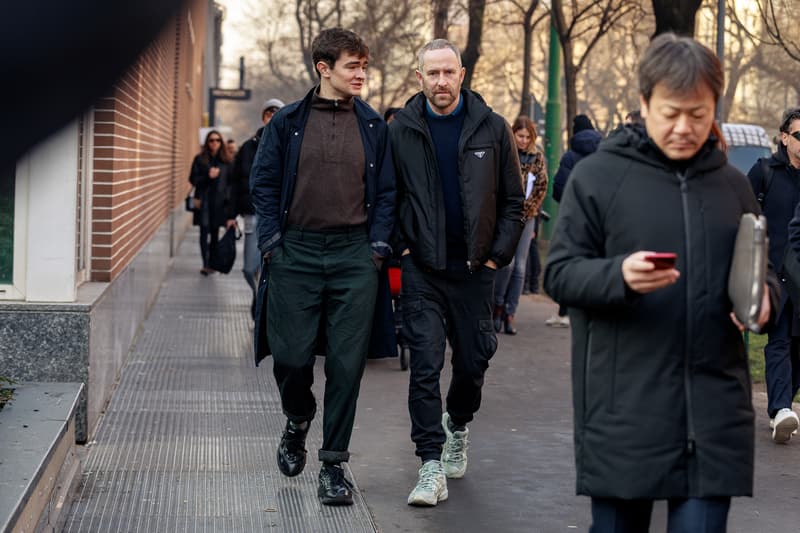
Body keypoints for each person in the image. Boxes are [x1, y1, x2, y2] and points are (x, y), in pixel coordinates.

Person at [543, 33, 778, 532]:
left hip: (714, 417)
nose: (684, 127)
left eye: (699, 114)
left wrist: (763, 302)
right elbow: (559, 273)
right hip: (624, 414)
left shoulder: (733, 186)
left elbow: (763, 270)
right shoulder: (599, 177)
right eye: (671, 112)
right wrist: (618, 276)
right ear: (645, 102)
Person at [250, 28, 395, 507]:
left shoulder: (374, 127)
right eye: (352, 65)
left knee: (347, 365)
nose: (361, 74)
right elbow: (264, 182)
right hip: (296, 254)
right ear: (324, 67)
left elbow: (389, 193)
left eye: (364, 66)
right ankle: (297, 418)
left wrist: (376, 247)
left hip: (355, 256)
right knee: (290, 356)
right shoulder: (287, 122)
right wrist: (272, 243)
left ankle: (333, 466)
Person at [389, 38, 524, 507]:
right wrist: (402, 251)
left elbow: (514, 201)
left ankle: (457, 424)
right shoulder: (402, 129)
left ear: (462, 75)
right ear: (419, 76)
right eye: (433, 73)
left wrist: (495, 257)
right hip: (422, 269)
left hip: (474, 271)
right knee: (424, 364)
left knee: (472, 362)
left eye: (449, 73)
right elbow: (390, 195)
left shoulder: (493, 128)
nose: (441, 82)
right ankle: (429, 465)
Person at [748, 107, 800, 443]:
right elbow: (743, 218)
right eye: (799, 135)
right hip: (775, 276)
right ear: (784, 138)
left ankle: (784, 407)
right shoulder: (765, 172)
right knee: (779, 341)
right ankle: (780, 408)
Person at [545, 113, 602, 328]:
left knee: (568, 260)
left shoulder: (570, 156)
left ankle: (564, 312)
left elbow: (559, 187)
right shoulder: (603, 152)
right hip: (598, 215)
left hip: (574, 214)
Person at [493, 116, 547, 334]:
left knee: (521, 267)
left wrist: (529, 212)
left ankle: (510, 312)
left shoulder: (537, 158)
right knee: (508, 263)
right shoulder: (505, 154)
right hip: (506, 216)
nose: (523, 140)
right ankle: (496, 305)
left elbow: (542, 187)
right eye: (520, 136)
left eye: (527, 137)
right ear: (513, 135)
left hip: (527, 217)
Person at [231, 98, 285, 318]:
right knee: (248, 267)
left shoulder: (290, 145)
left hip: (279, 216)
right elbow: (234, 182)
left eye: (276, 112)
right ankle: (258, 295)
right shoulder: (248, 147)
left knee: (269, 264)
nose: (272, 116)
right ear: (263, 117)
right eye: (268, 112)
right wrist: (231, 214)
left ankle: (264, 305)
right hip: (252, 213)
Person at [189, 130, 236, 275]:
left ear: (221, 142)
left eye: (217, 140)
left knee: (215, 233)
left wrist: (230, 206)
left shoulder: (227, 162)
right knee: (203, 232)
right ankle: (206, 264)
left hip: (219, 204)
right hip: (203, 203)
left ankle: (213, 263)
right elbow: (193, 179)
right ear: (207, 143)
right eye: (211, 140)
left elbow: (231, 184)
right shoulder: (200, 159)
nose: (214, 143)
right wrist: (208, 176)